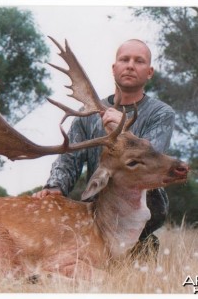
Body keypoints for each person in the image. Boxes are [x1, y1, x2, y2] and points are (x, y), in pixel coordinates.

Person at [32, 39, 175, 259]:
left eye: (139, 61)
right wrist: (55, 187)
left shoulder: (161, 113)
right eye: (124, 59)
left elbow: (154, 158)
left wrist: (125, 125)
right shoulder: (87, 114)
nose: (130, 65)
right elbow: (69, 159)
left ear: (149, 72)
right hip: (97, 207)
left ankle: (141, 244)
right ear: (114, 68)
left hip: (144, 205)